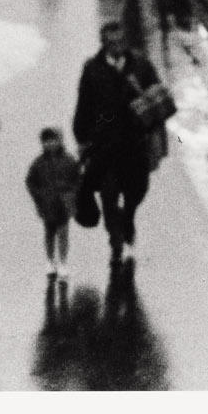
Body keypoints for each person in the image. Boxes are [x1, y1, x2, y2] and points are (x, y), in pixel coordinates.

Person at [72, 21, 165, 264]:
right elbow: (83, 105)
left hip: (135, 143)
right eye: (111, 43)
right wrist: (82, 138)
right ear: (103, 43)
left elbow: (160, 98)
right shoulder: (92, 69)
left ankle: (129, 216)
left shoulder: (141, 65)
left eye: (120, 42)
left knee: (137, 190)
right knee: (109, 195)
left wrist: (143, 96)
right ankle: (115, 241)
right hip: (104, 144)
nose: (117, 47)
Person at [24, 127, 79, 278]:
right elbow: (30, 181)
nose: (49, 144)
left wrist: (72, 194)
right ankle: (49, 261)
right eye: (46, 141)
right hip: (47, 205)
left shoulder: (69, 160)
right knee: (49, 233)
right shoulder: (38, 163)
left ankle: (62, 262)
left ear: (60, 141)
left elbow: (77, 179)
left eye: (53, 140)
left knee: (63, 234)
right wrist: (38, 196)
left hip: (64, 204)